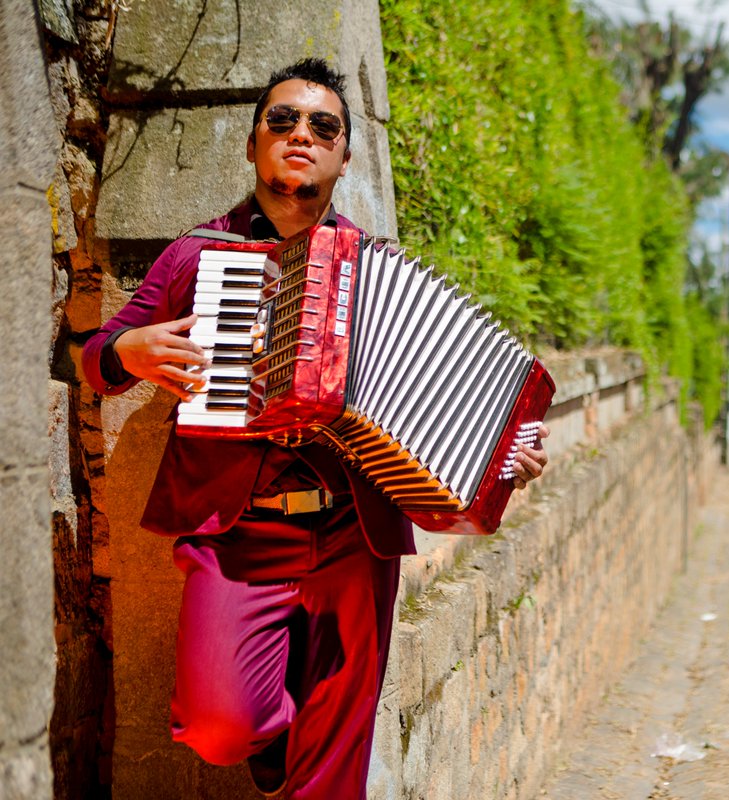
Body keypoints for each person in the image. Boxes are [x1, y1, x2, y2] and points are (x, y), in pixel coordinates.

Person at [81, 59, 549, 799]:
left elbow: (447, 401)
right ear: (252, 144)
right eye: (283, 120)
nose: (301, 133)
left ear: (344, 157)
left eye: (323, 126)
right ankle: (272, 733)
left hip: (352, 534)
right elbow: (98, 360)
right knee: (218, 725)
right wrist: (127, 350)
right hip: (240, 532)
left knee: (334, 771)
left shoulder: (377, 269)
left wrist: (506, 454)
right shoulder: (199, 256)